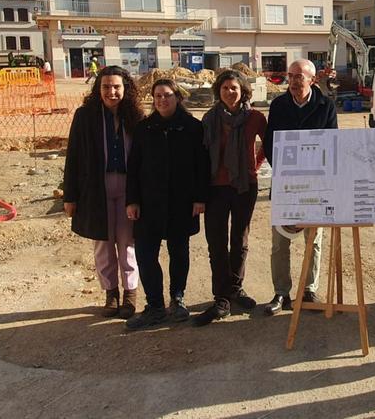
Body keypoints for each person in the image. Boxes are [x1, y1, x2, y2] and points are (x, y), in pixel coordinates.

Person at [124, 79, 210, 330]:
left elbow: (201, 165)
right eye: (158, 96)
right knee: (146, 253)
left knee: (179, 251)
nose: (162, 100)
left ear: (177, 97)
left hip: (181, 203)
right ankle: (155, 306)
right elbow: (134, 168)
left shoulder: (192, 128)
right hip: (148, 203)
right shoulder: (144, 128)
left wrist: (199, 198)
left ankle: (177, 298)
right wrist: (132, 200)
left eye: (168, 95)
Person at [63, 65, 144, 319]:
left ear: (125, 89)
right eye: (106, 87)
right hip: (96, 189)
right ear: (98, 89)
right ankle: (111, 293)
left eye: (117, 87)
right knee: (104, 244)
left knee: (127, 242)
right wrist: (70, 196)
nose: (111, 92)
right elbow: (73, 156)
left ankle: (130, 294)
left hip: (129, 189)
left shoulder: (135, 117)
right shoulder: (85, 116)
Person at [262, 59, 337, 315]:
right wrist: (288, 173)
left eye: (299, 76)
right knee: (280, 242)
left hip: (316, 186)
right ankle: (281, 292)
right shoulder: (279, 105)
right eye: (291, 75)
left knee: (313, 240)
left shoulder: (326, 106)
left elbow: (332, 144)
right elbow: (271, 143)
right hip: (286, 184)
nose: (293, 80)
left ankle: (308, 291)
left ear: (312, 80)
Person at [192, 70, 268, 326]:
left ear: (243, 90)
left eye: (234, 88)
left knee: (240, 239)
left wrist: (253, 167)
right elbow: (201, 157)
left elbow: (266, 145)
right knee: (216, 242)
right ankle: (221, 296)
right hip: (215, 187)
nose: (229, 92)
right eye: (224, 88)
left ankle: (236, 287)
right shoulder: (209, 118)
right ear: (218, 91)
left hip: (244, 187)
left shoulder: (255, 118)